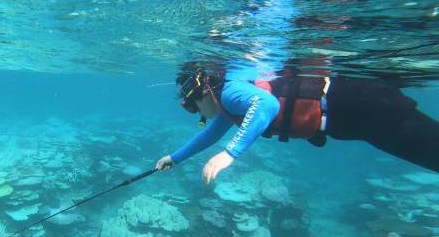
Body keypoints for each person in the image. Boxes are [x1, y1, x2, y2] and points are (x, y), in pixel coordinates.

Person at [155, 61, 439, 181]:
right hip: (353, 117)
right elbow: (209, 136)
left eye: (194, 109)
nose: (200, 116)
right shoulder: (225, 104)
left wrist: (230, 155)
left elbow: (265, 104)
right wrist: (175, 158)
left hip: (360, 106)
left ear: (202, 91)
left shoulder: (229, 91)